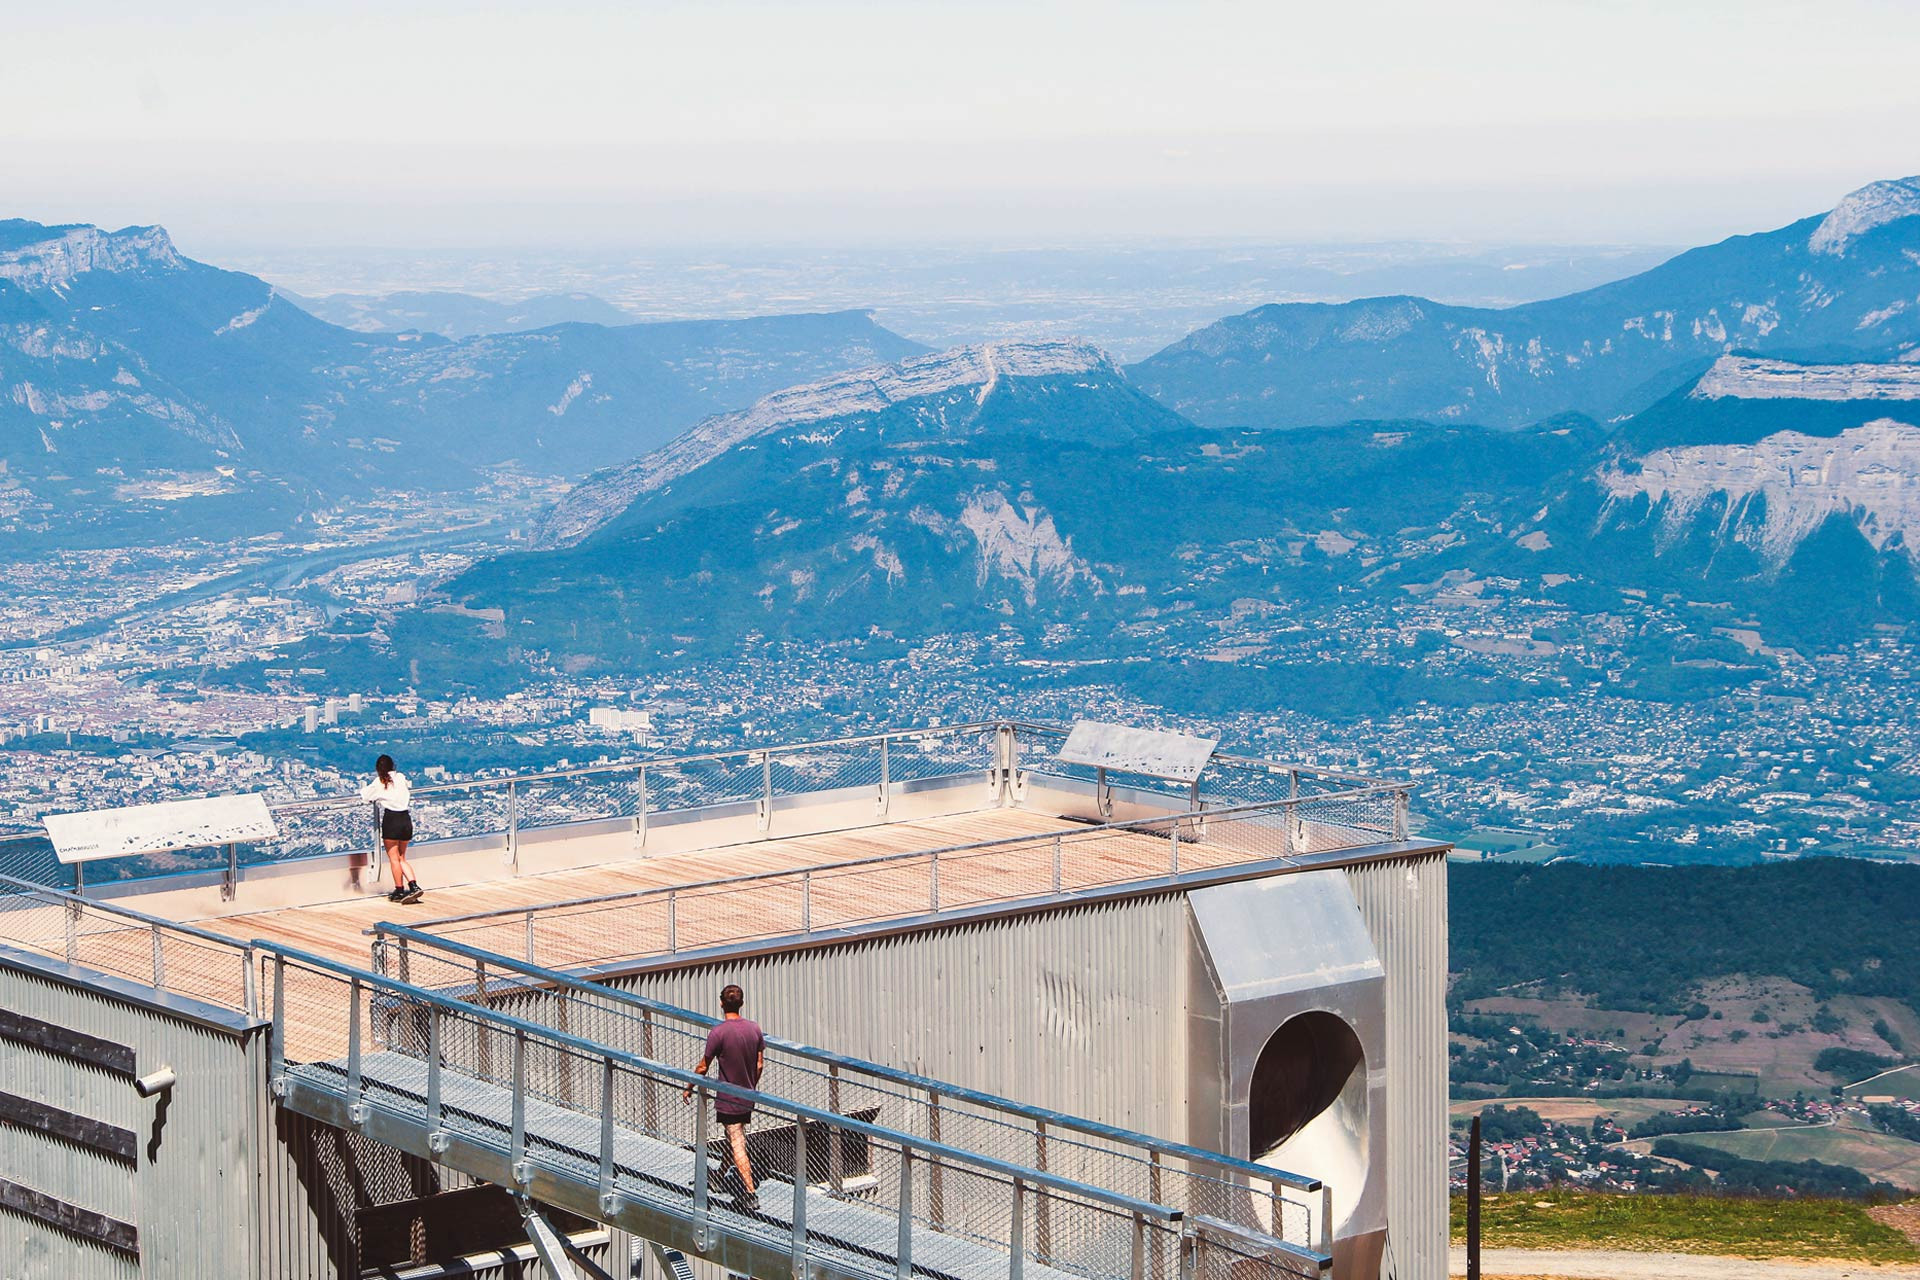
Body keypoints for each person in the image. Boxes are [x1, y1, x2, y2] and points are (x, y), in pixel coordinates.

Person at [683, 983, 765, 1212]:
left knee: (737, 1141)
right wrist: (750, 1086)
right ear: (741, 1003)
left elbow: (702, 1067)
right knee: (733, 1137)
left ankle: (750, 1193)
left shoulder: (718, 1033)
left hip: (728, 1098)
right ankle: (719, 1176)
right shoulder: (754, 1029)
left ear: (721, 1003)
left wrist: (689, 1087)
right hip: (747, 1094)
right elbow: (759, 1064)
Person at [359, 754, 423, 904]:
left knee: (394, 859)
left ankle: (400, 889)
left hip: (391, 820)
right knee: (402, 858)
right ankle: (412, 885)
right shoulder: (400, 777)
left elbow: (365, 795)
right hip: (405, 819)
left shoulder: (379, 782)